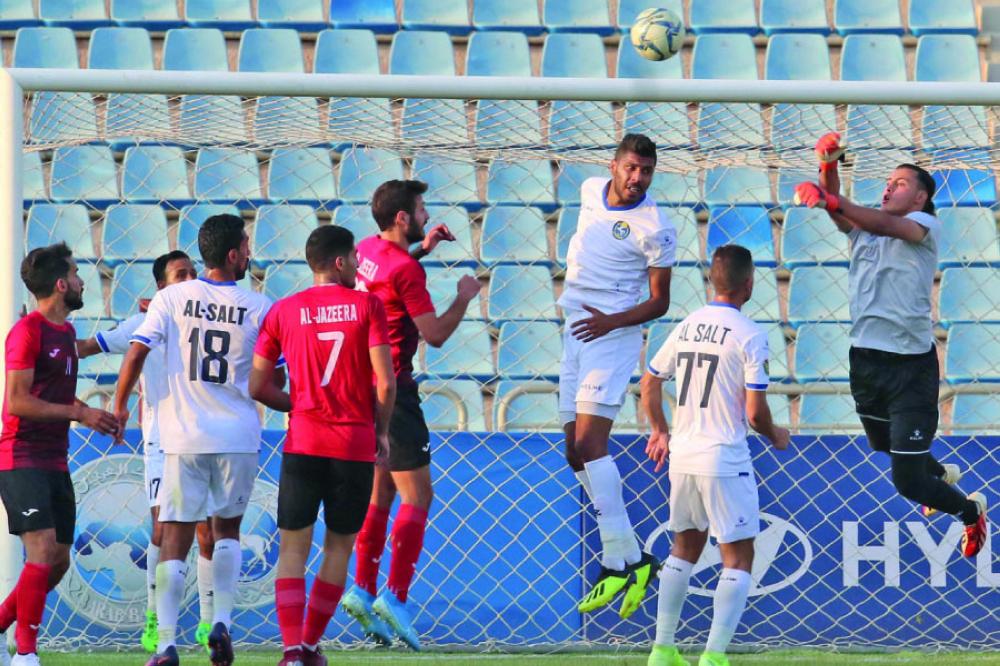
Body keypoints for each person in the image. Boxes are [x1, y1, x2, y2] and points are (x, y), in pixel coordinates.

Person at [794, 132, 987, 558]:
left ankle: (968, 512)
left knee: (908, 482)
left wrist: (832, 200)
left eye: (899, 183)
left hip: (910, 369)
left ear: (919, 199)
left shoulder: (925, 226)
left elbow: (878, 221)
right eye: (888, 181)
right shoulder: (864, 227)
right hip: (865, 359)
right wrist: (827, 165)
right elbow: (844, 213)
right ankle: (942, 472)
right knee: (883, 445)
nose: (888, 186)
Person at [113, 215, 280, 666]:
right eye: (245, 246)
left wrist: (120, 405)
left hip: (182, 436)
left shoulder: (170, 298)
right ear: (232, 254)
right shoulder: (260, 306)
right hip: (238, 435)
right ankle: (221, 621)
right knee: (227, 530)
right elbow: (273, 372)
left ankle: (166, 644)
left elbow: (137, 349)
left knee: (174, 537)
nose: (249, 254)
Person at [341, 179, 479, 651]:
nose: (425, 213)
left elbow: (390, 279)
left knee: (379, 493)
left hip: (360, 386)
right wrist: (463, 296)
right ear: (401, 217)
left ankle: (362, 588)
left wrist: (424, 246)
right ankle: (395, 598)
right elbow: (435, 334)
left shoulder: (367, 250)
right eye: (420, 209)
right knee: (418, 496)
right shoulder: (404, 270)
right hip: (394, 390)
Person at [250, 225, 395, 666]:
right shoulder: (367, 305)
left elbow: (257, 384)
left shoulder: (282, 311)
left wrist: (300, 403)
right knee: (338, 547)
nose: (357, 265)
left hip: (303, 441)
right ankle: (312, 645)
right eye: (353, 257)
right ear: (339, 262)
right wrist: (382, 431)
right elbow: (386, 382)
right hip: (352, 444)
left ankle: (292, 650)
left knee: (292, 549)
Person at [640, 245, 790, 666]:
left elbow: (650, 383)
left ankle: (662, 649)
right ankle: (713, 657)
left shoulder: (687, 325)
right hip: (724, 457)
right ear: (749, 283)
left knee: (682, 548)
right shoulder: (749, 334)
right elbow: (755, 413)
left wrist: (660, 429)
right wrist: (775, 433)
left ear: (712, 280)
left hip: (684, 456)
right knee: (739, 556)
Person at [76, 250, 218, 653]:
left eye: (193, 272)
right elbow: (89, 346)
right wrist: (43, 336)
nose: (189, 278)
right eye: (179, 274)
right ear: (161, 287)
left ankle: (209, 625)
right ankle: (156, 619)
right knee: (163, 530)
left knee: (208, 531)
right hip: (161, 442)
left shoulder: (211, 319)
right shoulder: (144, 324)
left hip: (206, 438)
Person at [560, 133, 676, 619]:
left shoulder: (656, 226)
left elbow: (660, 301)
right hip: (575, 330)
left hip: (613, 335)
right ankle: (636, 558)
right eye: (631, 168)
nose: (637, 179)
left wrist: (611, 320)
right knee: (573, 452)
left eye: (646, 171)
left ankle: (614, 562)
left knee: (591, 445)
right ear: (613, 165)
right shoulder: (590, 190)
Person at [0, 242, 118, 666]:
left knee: (59, 563)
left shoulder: (64, 333)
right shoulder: (27, 331)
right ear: (61, 283)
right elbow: (15, 400)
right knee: (43, 552)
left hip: (54, 459)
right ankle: (26, 654)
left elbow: (78, 348)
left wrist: (134, 331)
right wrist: (80, 411)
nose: (83, 280)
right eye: (76, 272)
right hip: (21, 455)